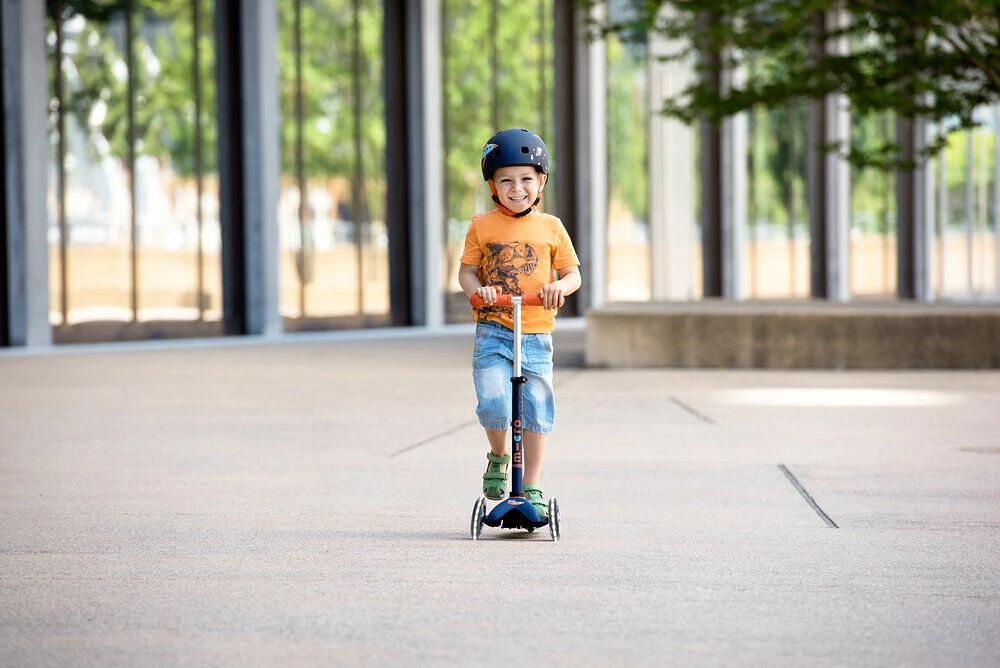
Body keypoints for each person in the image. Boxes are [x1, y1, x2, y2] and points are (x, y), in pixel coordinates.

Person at [457, 128, 582, 517]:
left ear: (541, 181)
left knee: (538, 407)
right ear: (492, 185)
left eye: (526, 178)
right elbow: (466, 274)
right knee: (494, 401)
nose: (517, 188)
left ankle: (531, 484)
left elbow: (573, 275)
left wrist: (558, 287)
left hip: (536, 332)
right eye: (506, 180)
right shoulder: (482, 226)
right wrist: (480, 291)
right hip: (493, 330)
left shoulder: (552, 228)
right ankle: (498, 455)